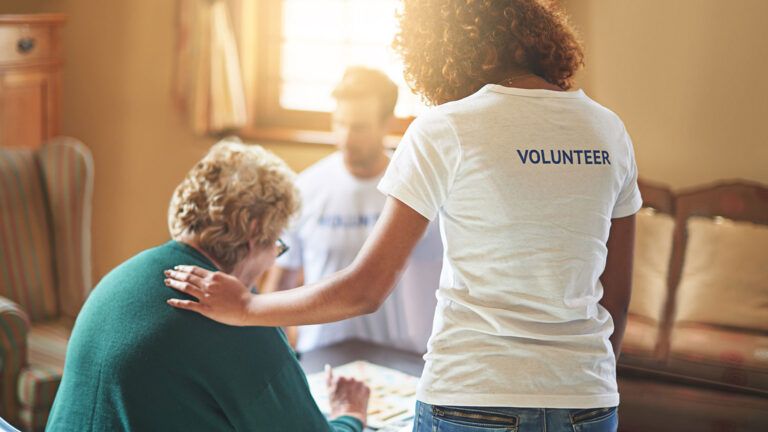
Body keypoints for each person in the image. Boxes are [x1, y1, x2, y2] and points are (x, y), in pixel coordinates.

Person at [164, 1, 640, 431]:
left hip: (473, 396)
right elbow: (616, 298)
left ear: (449, 48)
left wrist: (246, 307)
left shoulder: (446, 128)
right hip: (589, 401)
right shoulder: (609, 130)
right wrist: (584, 381)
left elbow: (366, 289)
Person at [46, 140, 370, 432]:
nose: (274, 260)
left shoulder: (120, 278)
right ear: (254, 234)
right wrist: (350, 415)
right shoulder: (237, 320)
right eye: (278, 246)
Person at [262, 67, 443, 354]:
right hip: (320, 354)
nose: (346, 138)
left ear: (386, 124)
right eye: (339, 123)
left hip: (403, 356)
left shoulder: (420, 187)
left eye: (358, 127)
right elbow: (279, 284)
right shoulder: (305, 189)